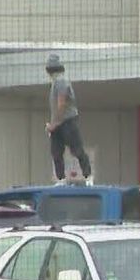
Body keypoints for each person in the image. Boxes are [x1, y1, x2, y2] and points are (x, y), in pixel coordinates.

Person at [44, 54, 93, 186]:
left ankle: (87, 175)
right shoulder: (57, 81)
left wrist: (55, 123)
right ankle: (62, 179)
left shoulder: (60, 81)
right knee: (57, 151)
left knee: (76, 149)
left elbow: (62, 103)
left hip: (67, 121)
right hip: (58, 122)